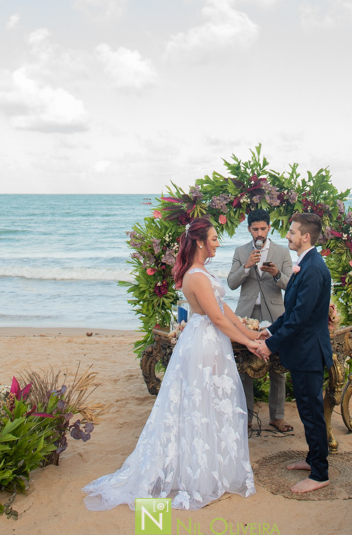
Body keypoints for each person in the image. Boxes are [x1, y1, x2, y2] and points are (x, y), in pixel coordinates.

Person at [83, 216, 261, 512]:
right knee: (199, 406)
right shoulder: (195, 276)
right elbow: (215, 318)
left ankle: (212, 470)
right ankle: (196, 477)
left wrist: (251, 333)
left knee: (212, 403)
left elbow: (225, 310)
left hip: (212, 341)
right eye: (215, 239)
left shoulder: (203, 271)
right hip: (204, 342)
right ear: (201, 242)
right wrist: (250, 344)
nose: (218, 243)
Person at [255, 212, 333, 494]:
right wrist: (271, 331)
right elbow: (292, 312)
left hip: (309, 353)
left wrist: (269, 346)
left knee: (312, 413)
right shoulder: (307, 262)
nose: (287, 236)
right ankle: (313, 460)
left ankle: (320, 473)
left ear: (306, 237)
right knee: (306, 411)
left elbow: (300, 318)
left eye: (291, 232)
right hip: (303, 352)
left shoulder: (312, 268)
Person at [227, 208, 294, 433]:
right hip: (246, 316)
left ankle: (277, 417)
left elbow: (291, 285)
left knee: (278, 366)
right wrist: (246, 266)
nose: (259, 233)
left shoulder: (282, 252)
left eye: (263, 229)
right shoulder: (240, 251)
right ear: (249, 230)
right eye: (255, 229)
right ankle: (245, 417)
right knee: (245, 366)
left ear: (269, 228)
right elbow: (231, 283)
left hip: (274, 315)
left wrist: (276, 274)